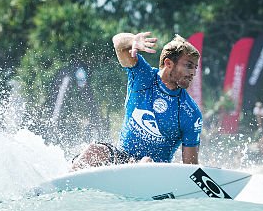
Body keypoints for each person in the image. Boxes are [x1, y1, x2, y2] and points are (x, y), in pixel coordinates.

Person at [73, 31, 201, 168]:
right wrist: (132, 39)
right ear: (168, 63)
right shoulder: (143, 76)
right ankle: (67, 184)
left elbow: (191, 168)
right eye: (188, 65)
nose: (193, 72)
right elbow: (118, 42)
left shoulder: (190, 113)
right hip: (122, 159)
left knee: (145, 163)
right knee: (94, 150)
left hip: (156, 171)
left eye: (195, 67)